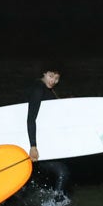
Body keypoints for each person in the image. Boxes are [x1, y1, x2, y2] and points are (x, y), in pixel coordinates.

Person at [25, 63, 72, 197]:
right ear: (44, 73)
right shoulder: (38, 89)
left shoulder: (47, 89)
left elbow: (47, 112)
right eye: (51, 76)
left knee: (44, 176)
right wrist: (33, 146)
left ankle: (39, 197)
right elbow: (30, 119)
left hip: (45, 140)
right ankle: (56, 204)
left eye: (56, 78)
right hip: (35, 143)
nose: (53, 81)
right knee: (62, 172)